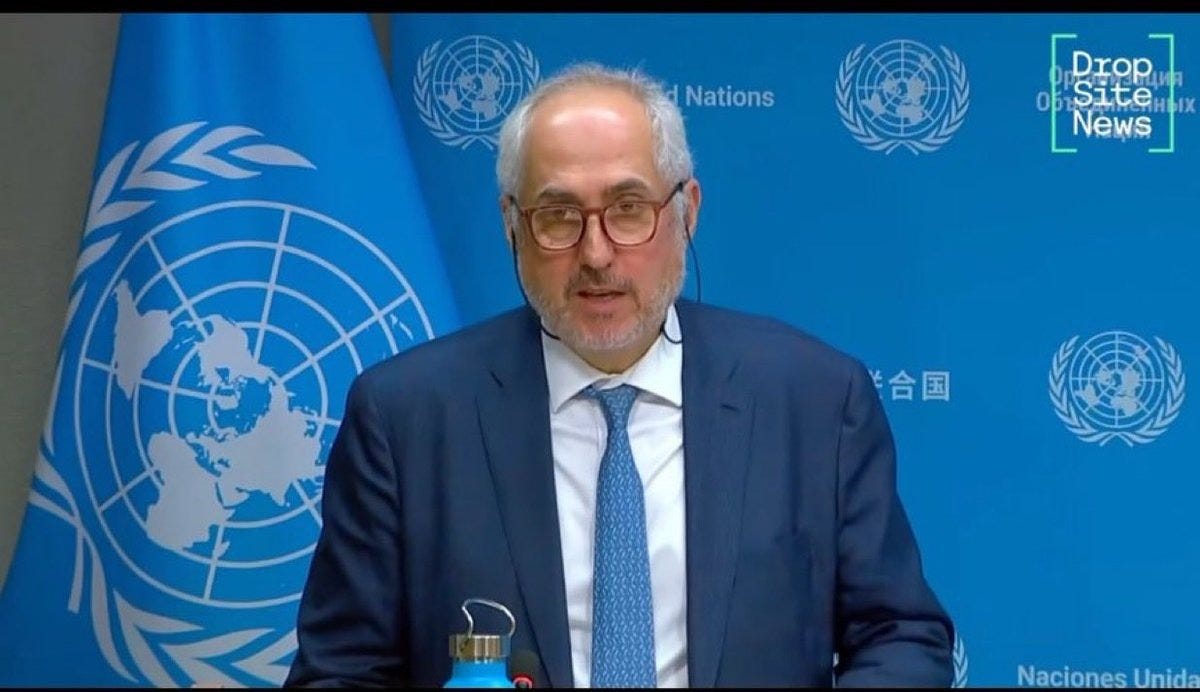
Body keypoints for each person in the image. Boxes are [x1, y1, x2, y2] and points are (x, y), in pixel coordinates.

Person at [284, 62, 954, 688]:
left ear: (686, 212)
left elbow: (901, 635)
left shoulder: (813, 399)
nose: (597, 254)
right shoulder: (405, 417)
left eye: (629, 208)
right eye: (559, 216)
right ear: (512, 225)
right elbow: (340, 671)